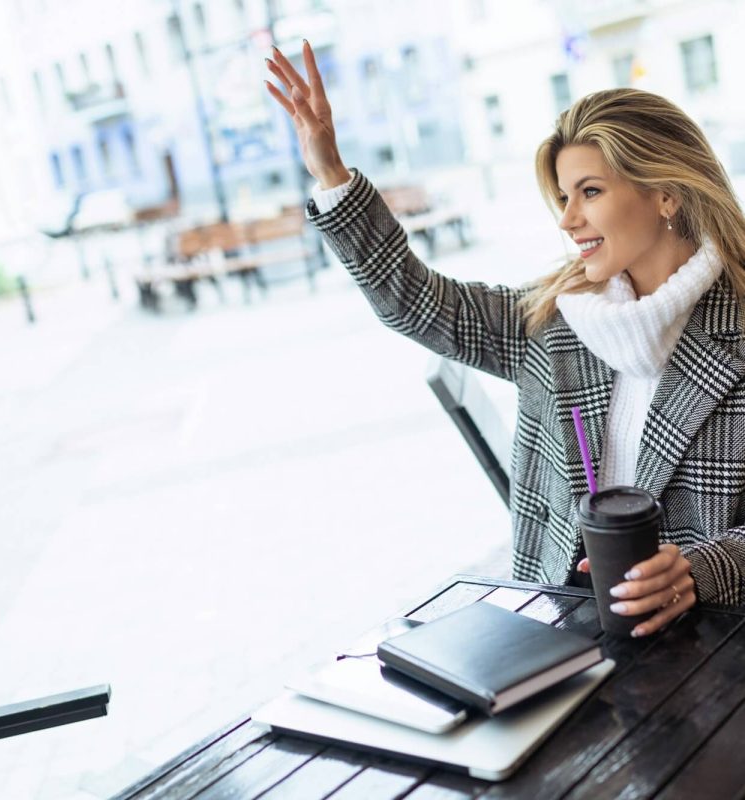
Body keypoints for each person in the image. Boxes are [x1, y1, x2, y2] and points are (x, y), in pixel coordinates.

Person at [265, 40, 745, 636]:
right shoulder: (556, 320)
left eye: (590, 192)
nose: (568, 219)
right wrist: (332, 174)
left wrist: (703, 570)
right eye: (565, 196)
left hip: (708, 653)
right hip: (554, 632)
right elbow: (414, 300)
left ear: (665, 193)